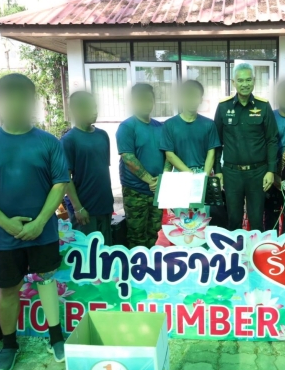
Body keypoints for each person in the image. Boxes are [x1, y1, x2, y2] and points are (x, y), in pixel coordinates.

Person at [0, 74, 69, 370]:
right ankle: (9, 345)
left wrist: (40, 222)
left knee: (47, 280)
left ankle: (56, 338)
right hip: (2, 236)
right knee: (9, 288)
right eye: (9, 99)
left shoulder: (48, 142)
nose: (16, 105)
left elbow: (60, 184)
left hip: (42, 232)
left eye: (22, 98)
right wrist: (7, 224)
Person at [214, 63, 279, 231]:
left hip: (257, 173)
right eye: (240, 80)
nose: (245, 84)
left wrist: (271, 171)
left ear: (254, 81)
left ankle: (255, 247)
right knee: (233, 220)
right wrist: (218, 171)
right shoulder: (223, 107)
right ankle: (235, 248)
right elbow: (216, 142)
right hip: (232, 174)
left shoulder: (263, 106)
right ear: (233, 82)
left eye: (248, 80)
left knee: (256, 220)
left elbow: (272, 140)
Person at [116, 83, 171, 248]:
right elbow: (128, 158)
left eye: (148, 99)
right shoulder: (126, 127)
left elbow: (169, 155)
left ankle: (150, 260)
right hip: (135, 191)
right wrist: (150, 180)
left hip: (157, 190)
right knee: (137, 235)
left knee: (154, 232)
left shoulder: (160, 127)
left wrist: (163, 178)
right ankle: (136, 263)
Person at [61, 91, 114, 245]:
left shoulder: (103, 135)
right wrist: (77, 208)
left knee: (105, 250)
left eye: (95, 107)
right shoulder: (68, 140)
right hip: (84, 209)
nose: (94, 111)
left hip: (104, 205)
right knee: (86, 251)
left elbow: (102, 171)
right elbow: (65, 178)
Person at [160, 80, 220, 174]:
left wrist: (204, 176)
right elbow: (169, 154)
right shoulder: (169, 125)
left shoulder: (209, 124)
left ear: (201, 100)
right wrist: (190, 173)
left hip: (204, 172)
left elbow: (211, 153)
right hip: (180, 174)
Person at [263, 79, 285, 232]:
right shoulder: (269, 116)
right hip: (271, 175)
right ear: (277, 95)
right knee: (270, 220)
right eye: (283, 93)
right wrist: (273, 174)